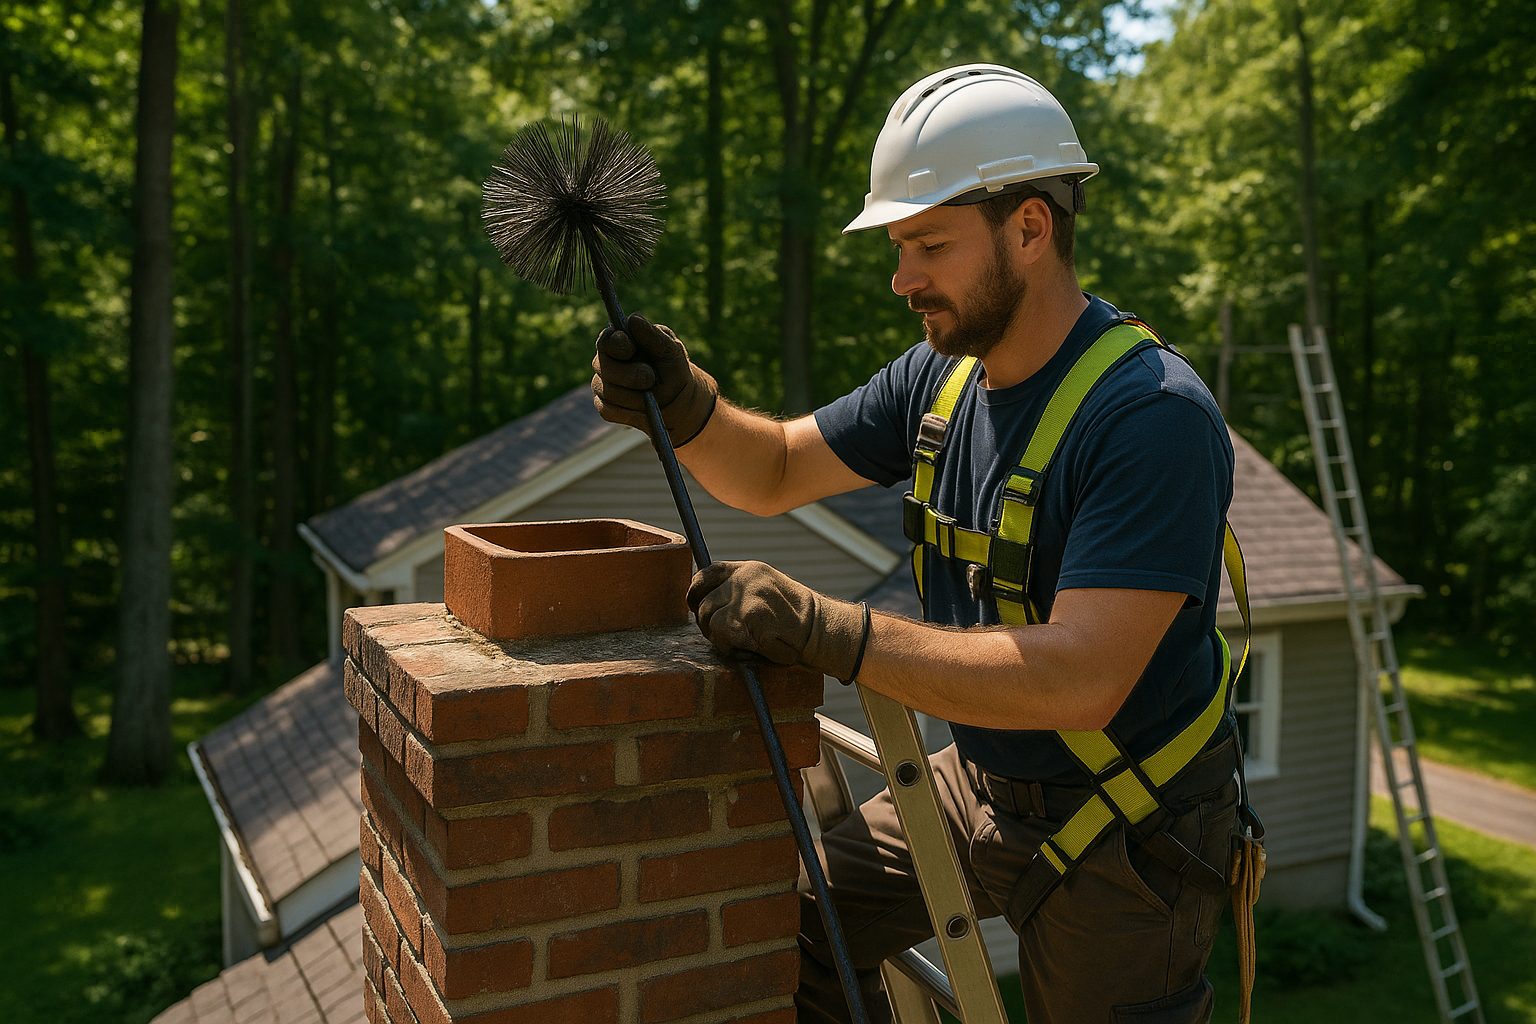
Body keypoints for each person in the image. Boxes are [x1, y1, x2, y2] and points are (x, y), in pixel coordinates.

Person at [592, 64, 1247, 1024]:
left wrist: (832, 631)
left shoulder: (1149, 417)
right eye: (899, 246)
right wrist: (685, 407)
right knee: (800, 917)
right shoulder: (941, 383)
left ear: (1031, 228)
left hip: (1130, 822)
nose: (903, 280)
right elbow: (773, 469)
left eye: (929, 244)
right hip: (979, 780)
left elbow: (1082, 677)